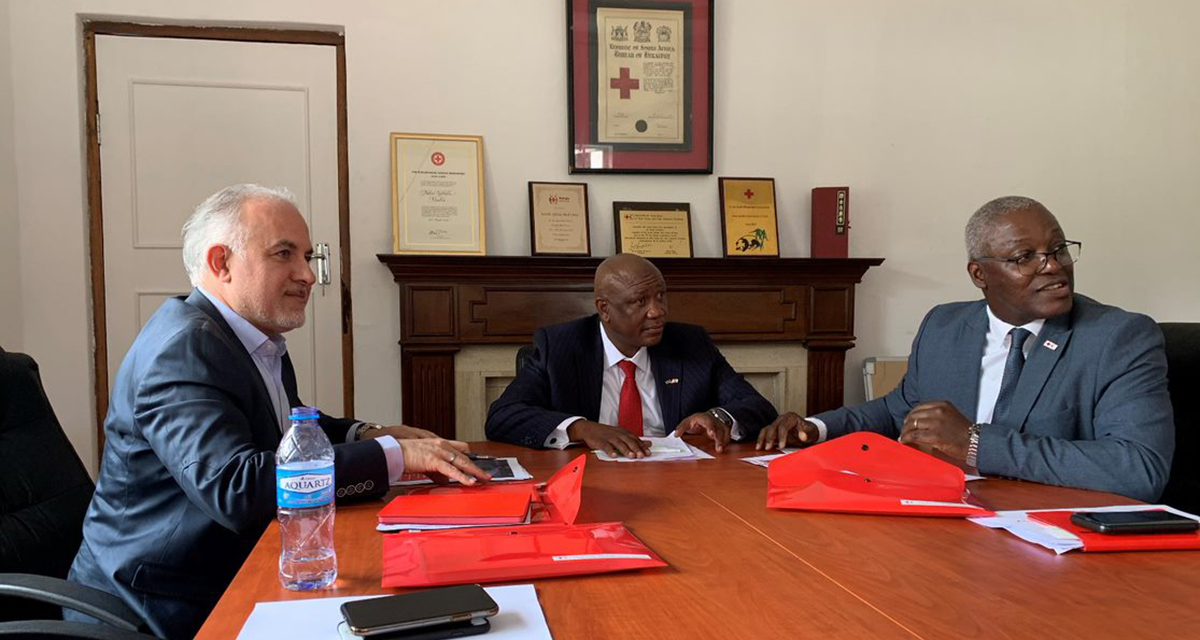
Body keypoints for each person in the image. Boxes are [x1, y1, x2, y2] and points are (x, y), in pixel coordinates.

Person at [67, 185, 490, 640]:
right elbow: (236, 488)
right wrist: (394, 456)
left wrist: (366, 434)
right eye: (284, 254)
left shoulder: (251, 337)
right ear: (221, 262)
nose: (307, 275)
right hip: (160, 605)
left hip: (242, 567)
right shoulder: (183, 350)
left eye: (307, 257)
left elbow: (288, 428)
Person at [758, 196, 1174, 502]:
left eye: (1059, 249)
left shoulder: (1118, 338)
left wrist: (975, 443)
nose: (1053, 266)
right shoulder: (945, 326)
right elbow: (899, 410)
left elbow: (1139, 469)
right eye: (1025, 257)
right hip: (951, 519)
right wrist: (815, 429)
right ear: (979, 274)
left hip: (1052, 540)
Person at [486, 253, 777, 457]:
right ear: (604, 309)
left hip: (678, 479)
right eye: (640, 301)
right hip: (590, 478)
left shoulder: (690, 343)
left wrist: (718, 417)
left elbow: (758, 407)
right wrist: (581, 429)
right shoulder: (561, 346)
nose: (657, 311)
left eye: (661, 296)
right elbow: (502, 416)